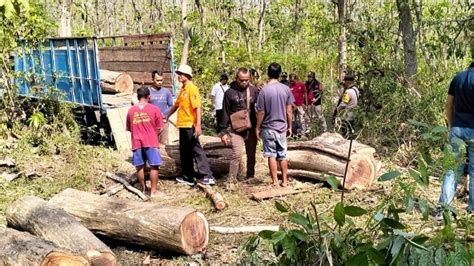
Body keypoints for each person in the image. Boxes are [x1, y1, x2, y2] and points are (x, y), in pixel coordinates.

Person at [434, 63, 474, 219]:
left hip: (457, 129)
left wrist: (451, 126)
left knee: (451, 170)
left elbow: (448, 105)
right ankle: (472, 210)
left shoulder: (458, 78)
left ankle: (444, 209)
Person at [165, 64, 215, 186]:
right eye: (179, 74)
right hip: (182, 125)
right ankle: (188, 176)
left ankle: (207, 175)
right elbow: (176, 105)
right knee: (185, 151)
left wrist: (198, 125)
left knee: (196, 149)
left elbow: (197, 107)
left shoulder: (192, 89)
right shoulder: (183, 89)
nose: (179, 76)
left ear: (187, 75)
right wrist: (167, 115)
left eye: (181, 74)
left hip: (190, 125)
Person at [256, 62, 295, 187]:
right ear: (279, 74)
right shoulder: (286, 89)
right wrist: (290, 126)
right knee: (282, 155)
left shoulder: (264, 91)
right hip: (282, 127)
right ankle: (284, 180)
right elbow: (289, 111)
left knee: (271, 154)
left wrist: (257, 127)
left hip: (268, 127)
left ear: (268, 74)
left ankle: (274, 181)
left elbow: (261, 112)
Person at [219, 68, 259, 180]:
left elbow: (261, 110)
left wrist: (260, 128)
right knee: (236, 154)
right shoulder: (229, 93)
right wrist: (223, 132)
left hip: (251, 128)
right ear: (236, 78)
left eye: (246, 80)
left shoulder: (254, 90)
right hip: (236, 129)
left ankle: (250, 176)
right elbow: (225, 113)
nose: (244, 82)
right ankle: (232, 180)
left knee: (251, 154)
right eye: (241, 80)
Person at [126, 87, 163, 196]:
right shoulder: (154, 109)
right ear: (149, 96)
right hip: (151, 141)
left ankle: (143, 189)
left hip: (136, 142)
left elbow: (129, 128)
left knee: (140, 166)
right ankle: (153, 191)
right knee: (154, 166)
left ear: (137, 97)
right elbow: (160, 128)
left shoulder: (131, 110)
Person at [149, 71, 173, 145]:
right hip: (152, 121)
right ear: (152, 80)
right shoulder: (148, 92)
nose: (159, 82)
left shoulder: (166, 92)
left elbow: (171, 105)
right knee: (153, 143)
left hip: (164, 121)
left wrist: (165, 114)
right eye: (157, 80)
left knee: (164, 143)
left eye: (161, 80)